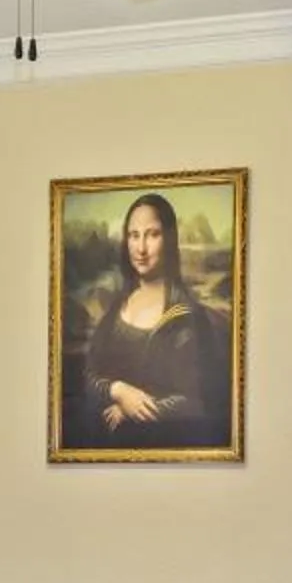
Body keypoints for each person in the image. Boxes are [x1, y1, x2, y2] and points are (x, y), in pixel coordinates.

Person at [71, 193, 231, 451]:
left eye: (152, 234)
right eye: (134, 235)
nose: (141, 248)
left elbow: (197, 401)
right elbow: (88, 377)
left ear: (169, 239)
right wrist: (117, 390)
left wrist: (133, 409)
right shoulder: (117, 307)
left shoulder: (186, 315)